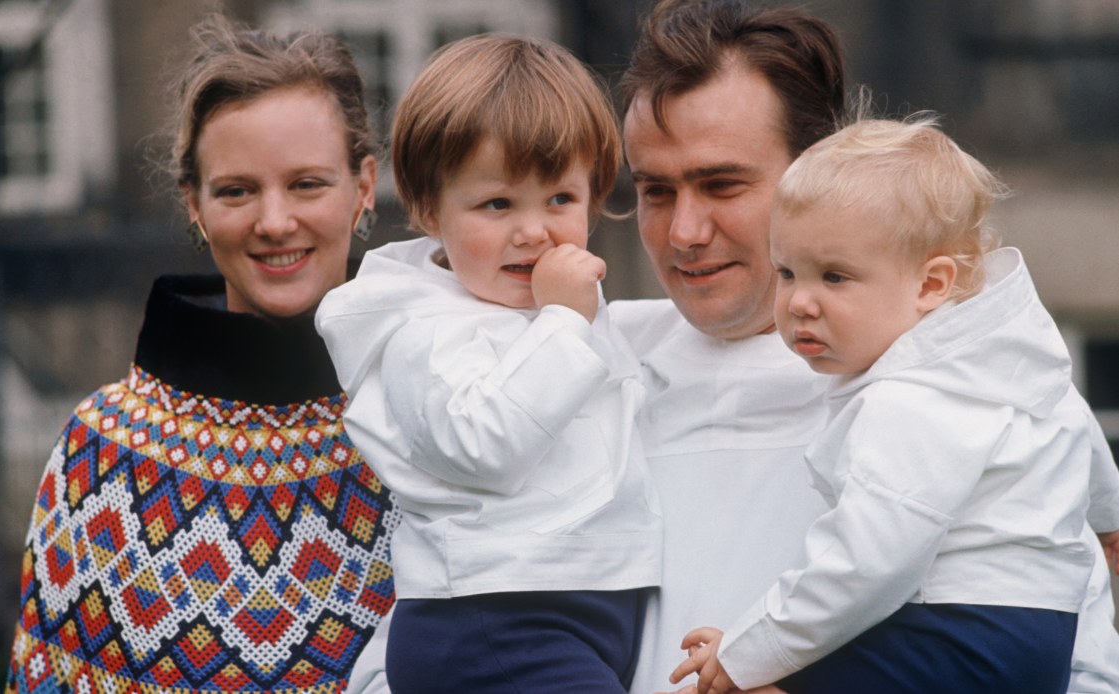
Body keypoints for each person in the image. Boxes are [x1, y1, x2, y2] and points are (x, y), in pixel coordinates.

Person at [611, 1, 1119, 693]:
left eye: (721, 184)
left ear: (814, 173)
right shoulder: (574, 370)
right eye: (655, 191)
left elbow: (1075, 667)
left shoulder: (967, 382)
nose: (684, 232)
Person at [4, 15, 399, 693]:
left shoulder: (441, 413)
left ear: (363, 186)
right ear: (193, 203)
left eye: (307, 183)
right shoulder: (102, 452)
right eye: (236, 190)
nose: (274, 221)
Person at [316, 34, 662, 693]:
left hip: (586, 612)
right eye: (497, 204)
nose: (533, 232)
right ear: (426, 209)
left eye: (559, 199)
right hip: (496, 624)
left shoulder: (553, 312)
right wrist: (563, 323)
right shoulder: (425, 329)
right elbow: (482, 443)